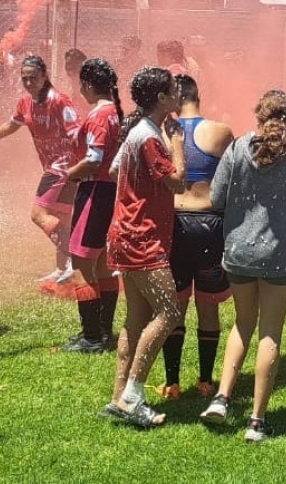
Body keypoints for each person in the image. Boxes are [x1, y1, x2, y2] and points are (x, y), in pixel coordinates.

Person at [199, 90, 286, 442]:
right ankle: (256, 421)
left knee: (242, 324)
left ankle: (223, 399)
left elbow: (217, 198)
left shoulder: (237, 148)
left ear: (258, 115)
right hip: (278, 258)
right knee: (270, 333)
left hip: (238, 252)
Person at [99, 66, 185, 427]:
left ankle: (119, 396)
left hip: (124, 233)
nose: (178, 92)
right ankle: (133, 396)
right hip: (141, 238)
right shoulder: (150, 137)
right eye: (173, 89)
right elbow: (178, 183)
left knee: (135, 319)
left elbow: (115, 171)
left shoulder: (138, 132)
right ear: (162, 98)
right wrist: (177, 145)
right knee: (169, 313)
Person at [0, 55, 81, 286]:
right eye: (25, 78)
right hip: (53, 166)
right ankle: (62, 270)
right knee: (61, 217)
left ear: (44, 77)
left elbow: (76, 133)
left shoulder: (60, 100)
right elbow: (11, 125)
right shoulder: (25, 102)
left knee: (37, 214)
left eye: (33, 78)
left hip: (63, 167)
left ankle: (72, 257)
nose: (28, 83)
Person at [156, 74, 234, 399]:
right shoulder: (221, 130)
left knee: (173, 306)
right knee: (208, 306)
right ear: (198, 96)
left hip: (174, 223)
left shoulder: (160, 131)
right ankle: (205, 381)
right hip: (210, 223)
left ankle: (172, 383)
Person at [60, 58, 123, 352]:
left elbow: (95, 159)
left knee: (81, 265)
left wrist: (70, 175)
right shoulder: (116, 113)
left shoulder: (100, 115)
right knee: (103, 265)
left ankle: (92, 337)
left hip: (95, 190)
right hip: (110, 192)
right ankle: (103, 332)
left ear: (86, 85)